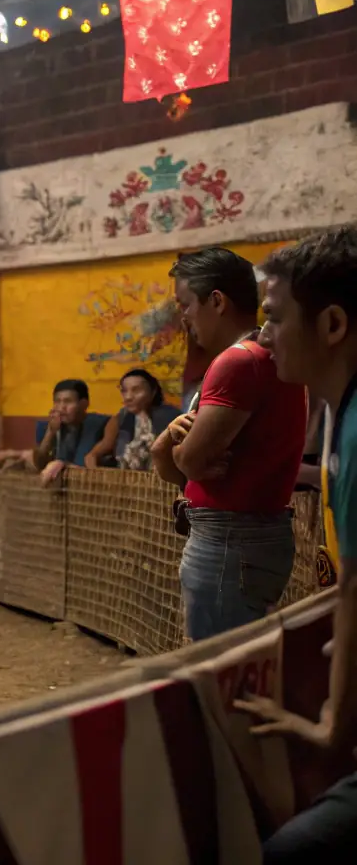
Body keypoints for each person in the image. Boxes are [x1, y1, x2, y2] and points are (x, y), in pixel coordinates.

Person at [231, 227, 357, 862]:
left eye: (275, 318)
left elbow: (355, 589)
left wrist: (333, 725)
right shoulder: (340, 413)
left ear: (331, 324)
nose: (263, 335)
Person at [151, 247, 308, 643]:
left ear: (217, 301)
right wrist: (174, 448)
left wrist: (177, 449)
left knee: (216, 664)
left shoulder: (238, 362)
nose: (184, 317)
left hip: (229, 539)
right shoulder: (268, 357)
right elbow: (180, 464)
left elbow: (190, 462)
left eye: (186, 304)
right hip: (249, 535)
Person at [84, 369, 180, 470]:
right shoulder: (119, 419)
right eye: (124, 391)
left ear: (153, 391)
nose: (128, 397)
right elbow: (92, 456)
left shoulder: (171, 417)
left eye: (136, 390)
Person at [32, 379, 110, 484]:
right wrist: (50, 433)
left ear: (84, 404)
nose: (61, 407)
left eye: (68, 401)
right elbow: (39, 465)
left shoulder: (98, 424)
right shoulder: (47, 426)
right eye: (57, 402)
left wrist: (62, 464)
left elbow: (84, 465)